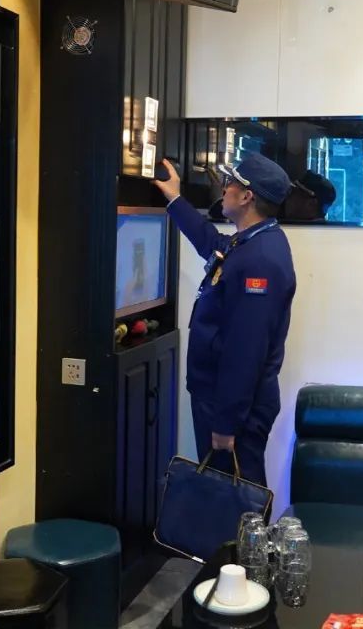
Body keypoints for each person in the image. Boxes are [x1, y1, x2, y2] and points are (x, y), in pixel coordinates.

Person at [153, 154, 296, 487]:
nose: (224, 188)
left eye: (230, 182)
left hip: (233, 407)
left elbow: (246, 350)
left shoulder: (261, 259)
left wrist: (226, 423)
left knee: (237, 495)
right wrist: (175, 199)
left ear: (247, 196)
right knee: (228, 492)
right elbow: (212, 244)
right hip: (223, 398)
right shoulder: (251, 240)